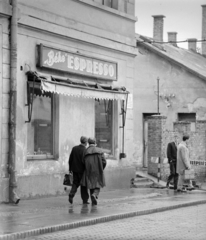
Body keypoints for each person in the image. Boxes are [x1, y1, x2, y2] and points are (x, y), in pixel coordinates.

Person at [81, 137, 107, 206]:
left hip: (88, 170)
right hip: (98, 170)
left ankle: (93, 196)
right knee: (98, 184)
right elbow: (104, 161)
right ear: (95, 142)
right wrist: (101, 168)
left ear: (89, 143)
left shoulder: (85, 151)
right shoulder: (100, 150)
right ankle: (94, 194)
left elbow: (83, 162)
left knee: (91, 184)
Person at [68, 136, 89, 204]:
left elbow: (70, 159)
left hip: (74, 169)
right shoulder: (85, 150)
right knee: (83, 185)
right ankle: (85, 200)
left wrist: (70, 169)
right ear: (85, 142)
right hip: (82, 170)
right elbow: (85, 161)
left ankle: (71, 194)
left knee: (75, 183)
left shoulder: (74, 148)